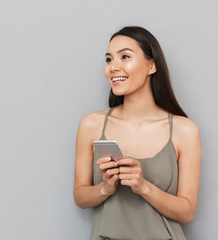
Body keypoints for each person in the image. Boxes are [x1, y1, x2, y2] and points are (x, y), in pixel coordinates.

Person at [73, 26, 202, 240]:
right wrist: (106, 188)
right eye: (109, 60)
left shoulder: (185, 130)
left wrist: (143, 186)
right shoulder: (91, 125)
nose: (114, 67)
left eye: (125, 57)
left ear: (151, 65)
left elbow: (187, 212)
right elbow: (80, 196)